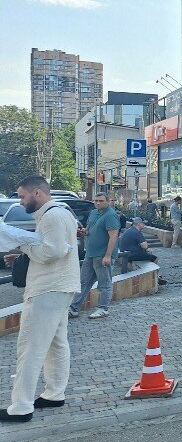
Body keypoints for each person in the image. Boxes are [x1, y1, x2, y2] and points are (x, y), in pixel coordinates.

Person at [0, 176, 81, 423]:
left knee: (30, 348)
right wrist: (24, 254)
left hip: (47, 289)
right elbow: (54, 249)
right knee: (56, 344)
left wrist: (22, 244)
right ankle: (54, 394)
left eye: (22, 196)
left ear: (37, 193)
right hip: (60, 287)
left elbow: (52, 251)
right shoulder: (61, 213)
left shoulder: (52, 216)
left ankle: (21, 407)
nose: (20, 202)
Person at [69, 193, 120, 320]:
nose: (97, 203)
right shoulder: (93, 213)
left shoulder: (111, 215)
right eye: (96, 200)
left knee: (104, 284)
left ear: (108, 202)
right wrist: (84, 232)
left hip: (102, 255)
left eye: (101, 201)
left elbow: (113, 237)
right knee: (83, 282)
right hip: (90, 253)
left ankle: (103, 309)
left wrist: (108, 256)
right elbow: (89, 229)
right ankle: (74, 309)